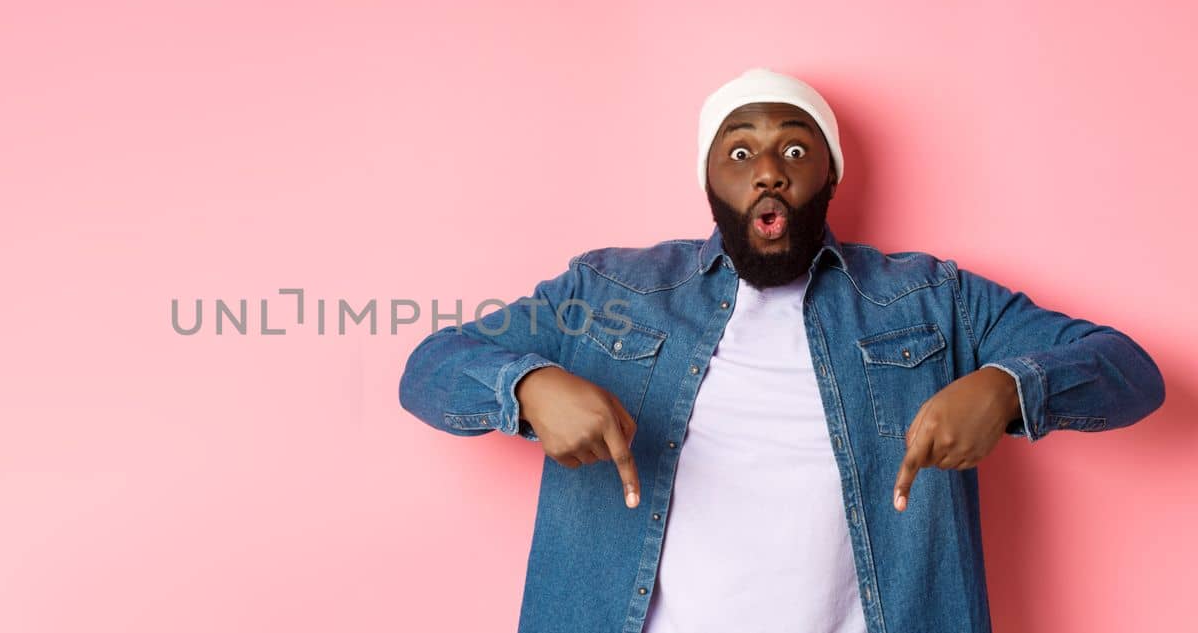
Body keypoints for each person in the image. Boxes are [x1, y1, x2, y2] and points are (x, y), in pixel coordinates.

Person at [395, 67, 1166, 633]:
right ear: (707, 179)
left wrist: (1004, 387)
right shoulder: (606, 293)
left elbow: (1129, 370)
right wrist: (527, 385)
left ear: (829, 172)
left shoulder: (932, 298)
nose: (768, 169)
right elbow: (430, 366)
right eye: (740, 153)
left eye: (796, 151)